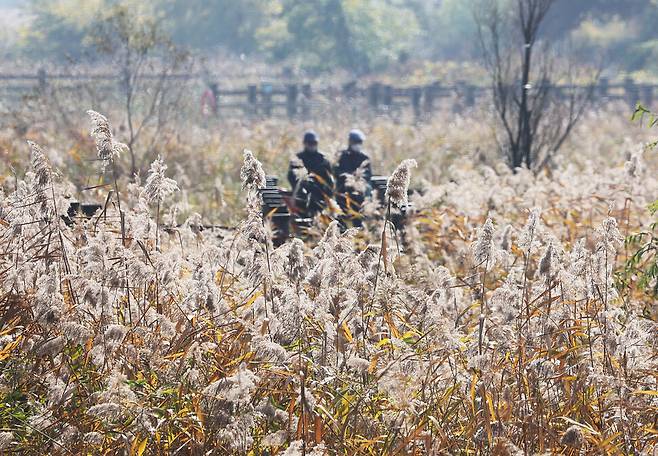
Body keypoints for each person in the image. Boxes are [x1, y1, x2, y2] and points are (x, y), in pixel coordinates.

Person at [287, 130, 334, 216]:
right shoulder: (298, 158)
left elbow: (330, 181)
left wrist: (327, 196)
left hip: (319, 197)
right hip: (301, 196)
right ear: (305, 143)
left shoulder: (323, 159)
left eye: (314, 143)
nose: (312, 145)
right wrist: (300, 187)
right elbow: (291, 177)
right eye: (310, 143)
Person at [333, 129, 372, 227]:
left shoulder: (364, 157)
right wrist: (347, 177)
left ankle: (358, 230)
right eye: (356, 142)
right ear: (350, 142)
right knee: (341, 216)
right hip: (343, 191)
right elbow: (336, 171)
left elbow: (368, 174)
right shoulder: (342, 155)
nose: (358, 144)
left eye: (359, 142)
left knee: (358, 216)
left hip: (359, 192)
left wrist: (359, 180)